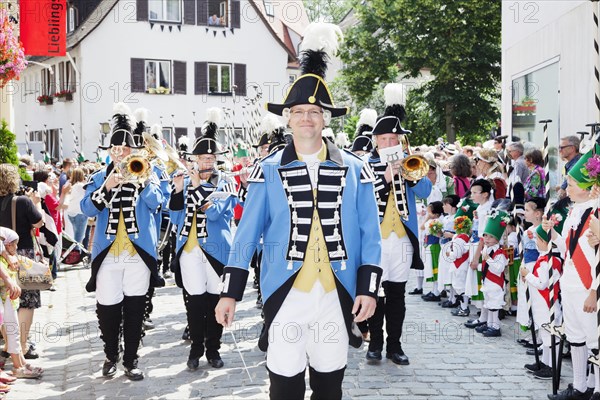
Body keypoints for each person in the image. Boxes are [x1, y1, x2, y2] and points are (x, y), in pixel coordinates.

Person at [215, 22, 382, 400]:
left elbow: (371, 235)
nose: (307, 118)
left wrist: (368, 289)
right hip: (286, 292)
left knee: (329, 385)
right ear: (288, 118)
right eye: (299, 112)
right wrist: (230, 293)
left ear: (326, 119)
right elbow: (246, 235)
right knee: (284, 385)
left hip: (336, 293)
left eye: (315, 112)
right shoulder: (268, 168)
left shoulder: (355, 169)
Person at [81, 103, 165, 381]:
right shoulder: (97, 178)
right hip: (107, 254)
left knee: (135, 308)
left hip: (137, 254)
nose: (120, 153)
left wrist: (140, 182)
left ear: (132, 152)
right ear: (109, 152)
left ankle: (131, 359)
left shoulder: (146, 175)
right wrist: (107, 187)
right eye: (115, 149)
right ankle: (110, 355)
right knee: (107, 307)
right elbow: (87, 210)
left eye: (125, 150)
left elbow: (157, 205)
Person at [365, 83, 432, 366]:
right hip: (376, 239)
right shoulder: (365, 164)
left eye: (396, 138)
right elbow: (361, 198)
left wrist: (409, 173)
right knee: (375, 294)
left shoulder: (409, 164)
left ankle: (395, 345)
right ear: (377, 140)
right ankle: (375, 344)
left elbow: (426, 192)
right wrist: (386, 179)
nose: (392, 143)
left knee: (397, 294)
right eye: (387, 138)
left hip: (402, 238)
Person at [170, 108, 237, 371]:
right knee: (194, 302)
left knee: (215, 302)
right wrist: (177, 188)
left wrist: (197, 186)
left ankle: (213, 350)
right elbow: (174, 216)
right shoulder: (186, 182)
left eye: (211, 157)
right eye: (202, 157)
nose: (207, 162)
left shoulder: (226, 182)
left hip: (217, 251)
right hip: (188, 249)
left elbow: (217, 213)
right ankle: (196, 349)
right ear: (195, 159)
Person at [545, 144, 600, 400]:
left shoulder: (597, 211)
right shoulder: (573, 212)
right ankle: (579, 387)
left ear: (589, 189)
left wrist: (594, 291)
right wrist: (549, 231)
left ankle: (597, 389)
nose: (566, 188)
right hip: (569, 282)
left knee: (594, 340)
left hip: (589, 285)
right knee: (575, 336)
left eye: (571, 183)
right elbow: (565, 246)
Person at [0, 164, 44, 361]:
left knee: (6, 302)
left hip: (1, 258)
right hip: (22, 256)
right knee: (27, 303)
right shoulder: (23, 201)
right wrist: (37, 202)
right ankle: (23, 346)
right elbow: (38, 223)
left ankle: (10, 345)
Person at [0, 227, 43, 379]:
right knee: (12, 328)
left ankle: (20, 363)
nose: (17, 248)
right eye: (15, 244)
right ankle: (18, 366)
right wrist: (8, 280)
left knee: (13, 328)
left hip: (7, 298)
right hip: (6, 296)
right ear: (8, 244)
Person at [477, 209, 510, 337]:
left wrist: (488, 260)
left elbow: (499, 268)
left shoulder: (500, 253)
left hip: (495, 282)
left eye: (491, 236)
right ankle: (489, 324)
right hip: (487, 281)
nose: (487, 239)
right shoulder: (487, 249)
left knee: (494, 304)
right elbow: (486, 266)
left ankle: (495, 326)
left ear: (497, 238)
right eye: (485, 235)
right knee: (489, 302)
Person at [65, 168, 89, 245]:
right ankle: (77, 255)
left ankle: (74, 254)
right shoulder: (81, 186)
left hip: (70, 211)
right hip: (80, 212)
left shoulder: (70, 184)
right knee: (79, 238)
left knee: (73, 236)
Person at [557, 135, 581, 199]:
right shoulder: (573, 163)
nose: (559, 150)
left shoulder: (577, 164)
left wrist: (562, 188)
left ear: (572, 148)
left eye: (562, 147)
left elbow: (563, 191)